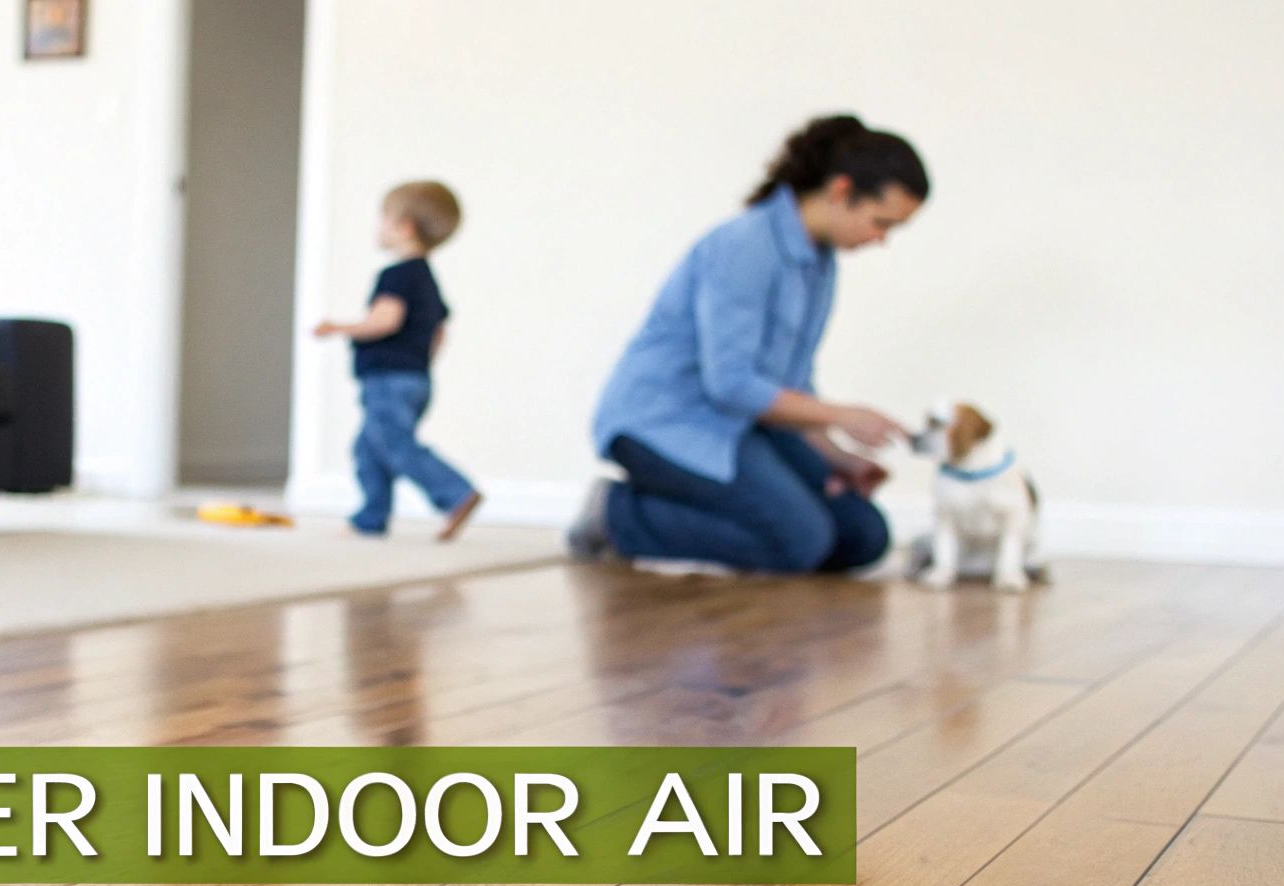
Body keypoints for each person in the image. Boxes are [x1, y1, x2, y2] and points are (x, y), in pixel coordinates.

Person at [570, 114, 926, 572]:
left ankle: (722, 514)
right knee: (799, 541)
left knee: (863, 536)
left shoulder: (820, 262)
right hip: (662, 426)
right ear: (841, 191)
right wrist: (844, 415)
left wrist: (837, 455)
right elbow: (731, 385)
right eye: (881, 223)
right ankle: (616, 513)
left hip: (744, 425)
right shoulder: (746, 245)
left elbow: (792, 383)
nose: (882, 240)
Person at [315, 181, 482, 541]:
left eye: (383, 219)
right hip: (416, 379)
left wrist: (338, 327)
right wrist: (422, 365)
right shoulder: (427, 280)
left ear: (404, 227)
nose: (378, 227)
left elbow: (384, 321)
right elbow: (439, 332)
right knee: (370, 447)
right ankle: (370, 517)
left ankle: (455, 493)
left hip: (388, 379)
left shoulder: (397, 275)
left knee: (395, 445)